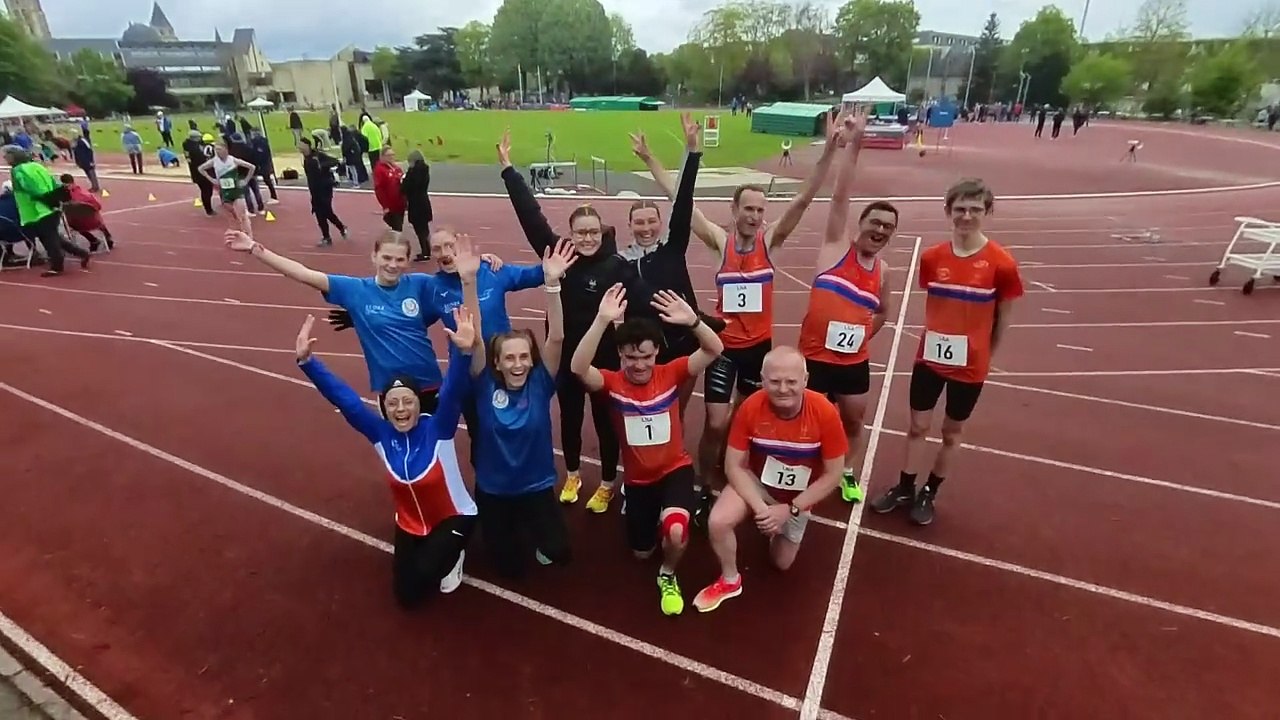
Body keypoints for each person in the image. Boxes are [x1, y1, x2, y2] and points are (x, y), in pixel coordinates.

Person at [646, 110, 846, 516]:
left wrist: (827, 152)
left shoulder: (770, 242)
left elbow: (804, 199)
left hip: (760, 351)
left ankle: (746, 481)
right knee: (717, 422)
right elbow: (678, 201)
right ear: (734, 210)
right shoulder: (720, 242)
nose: (755, 216)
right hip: (723, 348)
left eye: (760, 210)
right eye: (749, 209)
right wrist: (654, 160)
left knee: (752, 422)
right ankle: (704, 484)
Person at [498, 129, 649, 514]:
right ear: (570, 235)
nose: (586, 238)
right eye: (580, 232)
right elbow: (531, 217)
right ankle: (574, 473)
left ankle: (609, 482)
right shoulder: (560, 257)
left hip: (604, 362)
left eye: (592, 232)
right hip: (564, 356)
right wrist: (509, 171)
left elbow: (644, 308)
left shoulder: (619, 267)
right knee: (569, 416)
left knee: (605, 421)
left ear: (602, 232)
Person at [293, 301, 479, 609]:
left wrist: (463, 352)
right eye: (393, 404)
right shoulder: (381, 433)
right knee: (407, 597)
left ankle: (454, 551)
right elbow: (348, 402)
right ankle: (431, 549)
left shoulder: (439, 428)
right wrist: (308, 363)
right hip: (410, 521)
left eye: (407, 402)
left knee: (424, 575)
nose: (401, 409)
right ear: (384, 408)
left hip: (453, 517)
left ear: (419, 405)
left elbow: (453, 392)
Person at [870, 178, 1024, 526]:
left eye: (974, 210)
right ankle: (906, 486)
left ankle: (930, 491)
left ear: (987, 212)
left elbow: (1005, 318)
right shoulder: (932, 257)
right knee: (917, 426)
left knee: (951, 432)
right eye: (959, 209)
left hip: (971, 367)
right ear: (948, 212)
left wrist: (987, 355)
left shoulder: (1001, 263)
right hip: (929, 358)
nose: (966, 216)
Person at [571, 284, 724, 615]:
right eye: (630, 357)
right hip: (638, 482)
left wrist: (694, 322)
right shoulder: (612, 383)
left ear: (657, 353)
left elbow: (715, 348)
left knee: (676, 532)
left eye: (646, 356)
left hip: (675, 470)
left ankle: (667, 574)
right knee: (640, 552)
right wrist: (601, 320)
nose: (639, 365)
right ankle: (655, 513)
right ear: (621, 355)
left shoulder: (671, 373)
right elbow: (578, 369)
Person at [693, 347, 847, 613]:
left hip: (799, 495)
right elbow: (733, 467)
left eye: (791, 381)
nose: (783, 389)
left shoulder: (825, 413)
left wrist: (790, 510)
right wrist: (763, 510)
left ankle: (780, 527)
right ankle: (730, 580)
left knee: (781, 563)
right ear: (763, 380)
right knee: (717, 522)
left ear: (805, 380)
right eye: (774, 381)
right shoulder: (750, 407)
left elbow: (834, 474)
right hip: (757, 483)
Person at [225, 228, 446, 412]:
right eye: (387, 257)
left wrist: (481, 264)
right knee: (399, 456)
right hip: (390, 391)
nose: (392, 265)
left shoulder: (420, 284)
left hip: (429, 385)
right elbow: (302, 274)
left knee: (440, 453)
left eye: (400, 259)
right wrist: (254, 248)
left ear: (408, 262)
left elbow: (454, 282)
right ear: (374, 256)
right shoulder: (355, 290)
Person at [467, 238, 577, 580]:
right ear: (497, 362)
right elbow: (474, 338)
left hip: (535, 487)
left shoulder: (541, 383)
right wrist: (469, 282)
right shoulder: (483, 384)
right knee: (507, 567)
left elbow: (556, 337)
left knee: (560, 553)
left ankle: (530, 526)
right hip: (495, 489)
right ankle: (502, 526)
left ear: (533, 359)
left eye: (524, 356)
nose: (518, 364)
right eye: (509, 358)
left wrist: (553, 284)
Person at [798, 111, 894, 503]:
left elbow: (884, 311)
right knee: (808, 419)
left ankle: (847, 472)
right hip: (815, 358)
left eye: (888, 227)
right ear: (861, 224)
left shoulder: (885, 270)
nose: (880, 230)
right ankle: (802, 469)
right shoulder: (837, 245)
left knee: (854, 419)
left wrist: (862, 337)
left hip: (853, 363)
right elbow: (841, 195)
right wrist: (853, 144)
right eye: (875, 222)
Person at [625, 112, 722, 415]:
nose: (646, 228)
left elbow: (682, 201)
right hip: (644, 352)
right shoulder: (621, 261)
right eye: (639, 222)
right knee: (646, 410)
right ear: (630, 225)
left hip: (683, 345)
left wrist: (691, 152)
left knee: (675, 412)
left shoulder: (672, 247)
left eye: (652, 221)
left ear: (660, 222)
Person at [2, 145, 89, 278]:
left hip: (37, 209)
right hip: (51, 205)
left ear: (14, 156)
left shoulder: (18, 170)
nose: (4, 157)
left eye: (7, 155)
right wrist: (54, 198)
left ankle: (57, 265)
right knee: (53, 236)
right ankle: (80, 253)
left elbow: (29, 188)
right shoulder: (37, 166)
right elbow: (53, 182)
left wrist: (42, 198)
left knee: (48, 239)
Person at [297, 137, 347, 246]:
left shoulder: (318, 156)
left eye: (301, 144)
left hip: (325, 189)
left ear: (307, 145)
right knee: (319, 214)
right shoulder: (305, 159)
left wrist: (323, 166)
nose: (299, 147)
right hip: (314, 190)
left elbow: (334, 161)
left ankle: (340, 228)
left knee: (326, 211)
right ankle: (327, 237)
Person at [199, 141, 255, 235]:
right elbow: (201, 168)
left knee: (242, 215)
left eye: (219, 149)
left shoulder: (233, 160)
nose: (217, 151)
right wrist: (212, 179)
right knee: (231, 216)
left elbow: (252, 167)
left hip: (236, 190)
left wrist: (245, 180)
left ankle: (249, 236)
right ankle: (239, 233)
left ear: (226, 150)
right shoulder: (214, 161)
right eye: (216, 149)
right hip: (224, 192)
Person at [59, 174, 113, 251]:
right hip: (94, 222)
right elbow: (98, 206)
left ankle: (93, 240)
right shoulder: (85, 194)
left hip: (77, 224)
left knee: (75, 224)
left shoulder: (64, 197)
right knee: (96, 217)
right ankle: (107, 235)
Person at [400, 149, 432, 261]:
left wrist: (403, 180)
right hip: (424, 202)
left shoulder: (412, 172)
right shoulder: (425, 170)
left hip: (415, 204)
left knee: (420, 230)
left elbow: (404, 189)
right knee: (424, 229)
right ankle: (427, 250)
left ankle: (425, 252)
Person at [373, 145, 406, 231]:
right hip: (392, 206)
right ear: (383, 156)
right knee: (397, 228)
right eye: (389, 155)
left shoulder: (396, 167)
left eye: (393, 154)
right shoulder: (380, 170)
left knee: (399, 226)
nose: (392, 157)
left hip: (400, 204)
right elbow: (379, 189)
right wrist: (385, 206)